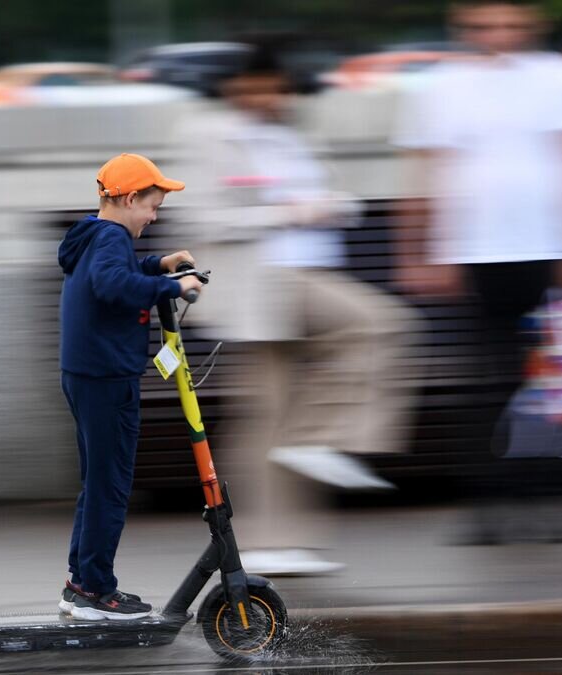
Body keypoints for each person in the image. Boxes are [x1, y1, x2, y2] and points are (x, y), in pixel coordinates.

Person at [176, 37, 419, 575]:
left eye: (275, 86)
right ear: (231, 86)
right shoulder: (209, 135)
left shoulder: (291, 134)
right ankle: (318, 445)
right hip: (262, 286)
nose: (266, 96)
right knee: (378, 324)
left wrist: (331, 206)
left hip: (306, 274)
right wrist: (288, 212)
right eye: (254, 86)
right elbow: (208, 220)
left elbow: (329, 194)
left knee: (267, 417)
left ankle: (284, 541)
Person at [393, 0, 562, 543]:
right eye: (486, 25)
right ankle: (490, 503)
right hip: (476, 249)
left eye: (512, 23)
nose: (500, 34)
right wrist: (417, 251)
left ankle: (554, 498)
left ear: (535, 24)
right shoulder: (441, 85)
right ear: (463, 27)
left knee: (551, 379)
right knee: (488, 381)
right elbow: (427, 172)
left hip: (551, 246)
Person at [56, 153, 203, 618]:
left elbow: (116, 273)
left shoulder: (95, 234)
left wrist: (159, 264)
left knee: (98, 482)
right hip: (105, 379)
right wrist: (174, 288)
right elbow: (111, 284)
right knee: (111, 486)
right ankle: (95, 591)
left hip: (86, 374)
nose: (154, 216)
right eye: (152, 206)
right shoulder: (112, 236)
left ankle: (83, 582)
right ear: (127, 198)